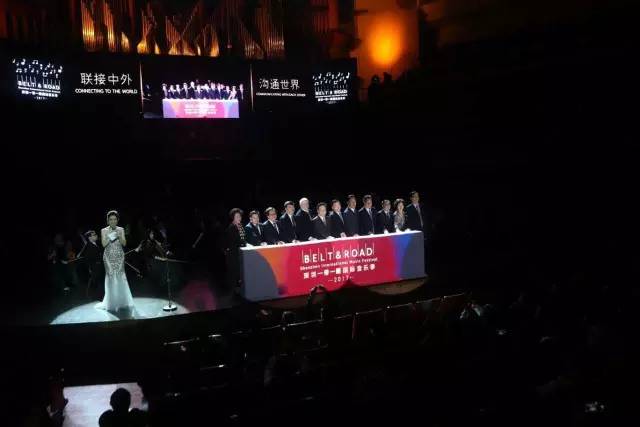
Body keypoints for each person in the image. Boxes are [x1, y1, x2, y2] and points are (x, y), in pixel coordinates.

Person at [96, 211, 135, 312]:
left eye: (114, 219)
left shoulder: (121, 229)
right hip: (108, 257)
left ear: (117, 220)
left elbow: (124, 243)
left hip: (119, 256)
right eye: (111, 219)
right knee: (111, 277)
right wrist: (111, 236)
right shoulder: (104, 230)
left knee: (121, 277)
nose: (113, 221)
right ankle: (111, 303)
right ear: (108, 221)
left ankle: (122, 301)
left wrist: (119, 236)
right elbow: (104, 244)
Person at [77, 230, 104, 299]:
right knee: (98, 283)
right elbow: (87, 259)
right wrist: (91, 268)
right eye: (94, 235)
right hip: (95, 267)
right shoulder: (89, 247)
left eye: (96, 234)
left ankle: (100, 296)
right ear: (90, 238)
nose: (96, 236)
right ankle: (100, 297)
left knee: (99, 282)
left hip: (99, 266)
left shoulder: (96, 243)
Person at [225, 208, 245, 289]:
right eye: (237, 216)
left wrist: (245, 244)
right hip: (233, 254)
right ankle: (235, 290)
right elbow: (233, 242)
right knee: (235, 273)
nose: (239, 218)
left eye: (240, 216)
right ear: (233, 218)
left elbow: (243, 238)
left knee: (240, 272)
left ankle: (239, 287)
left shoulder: (240, 225)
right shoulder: (231, 227)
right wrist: (243, 244)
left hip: (240, 252)